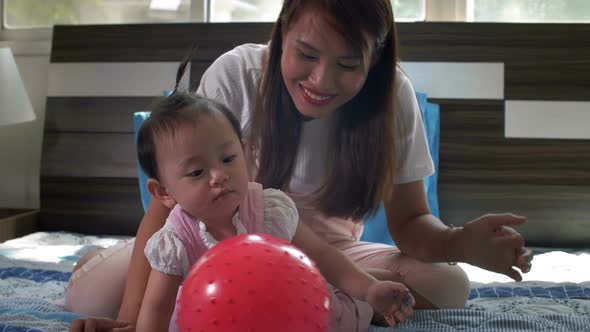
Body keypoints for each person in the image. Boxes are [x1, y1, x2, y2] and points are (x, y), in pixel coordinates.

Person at [67, 0, 534, 331]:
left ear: (374, 60)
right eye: (306, 55)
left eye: (348, 64)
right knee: (92, 297)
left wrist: (459, 242)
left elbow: (410, 223)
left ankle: (340, 292)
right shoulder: (237, 75)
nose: (320, 81)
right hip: (216, 245)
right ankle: (104, 261)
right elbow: (171, 206)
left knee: (449, 282)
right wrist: (129, 322)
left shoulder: (393, 97)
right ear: (281, 32)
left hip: (327, 252)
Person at [135, 89, 415, 330]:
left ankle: (374, 296)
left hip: (289, 313)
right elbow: (157, 309)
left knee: (343, 306)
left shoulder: (267, 209)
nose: (218, 175)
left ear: (244, 154)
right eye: (197, 171)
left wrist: (368, 289)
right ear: (164, 192)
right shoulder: (175, 241)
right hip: (215, 322)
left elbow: (322, 255)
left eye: (229, 158)